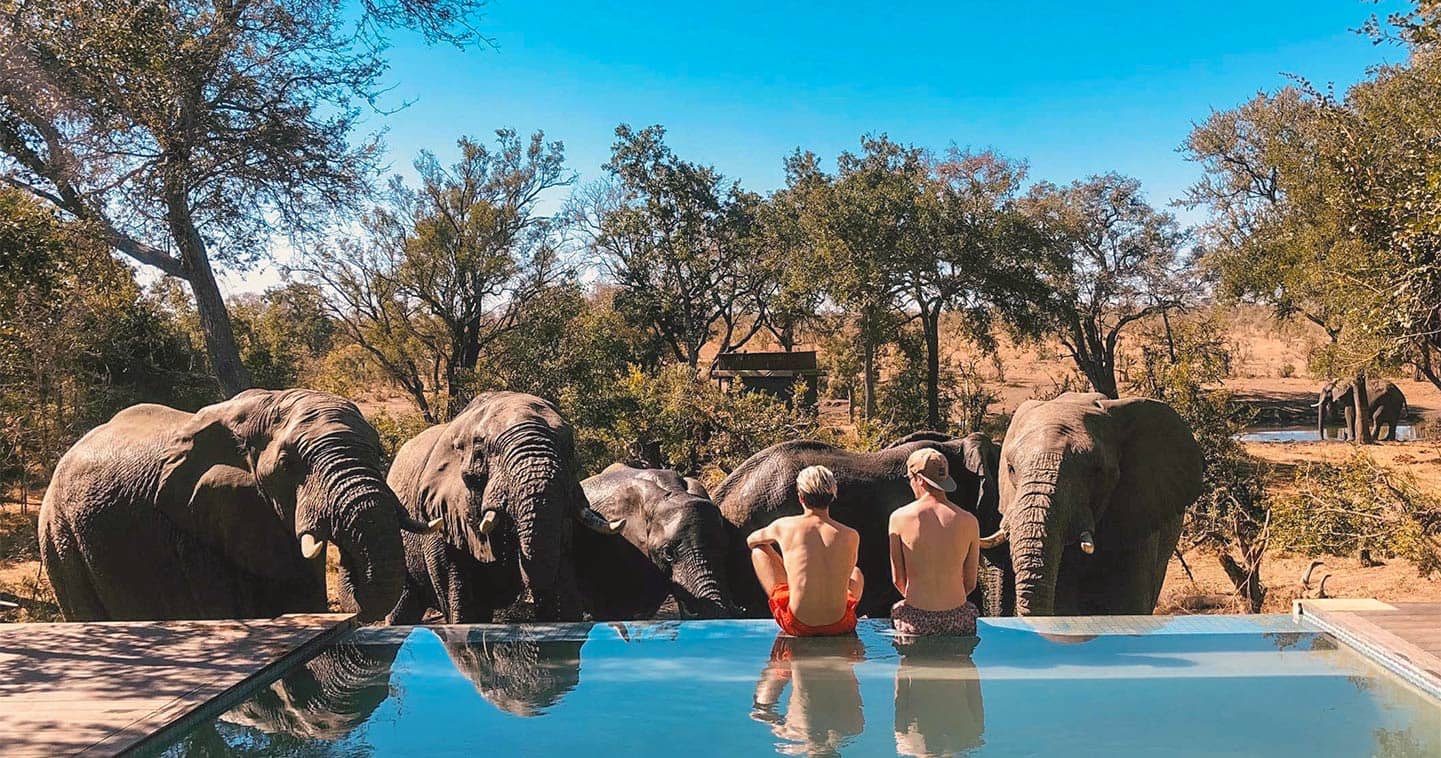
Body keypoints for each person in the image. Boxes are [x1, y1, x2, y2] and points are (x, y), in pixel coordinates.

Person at [747, 465, 865, 637]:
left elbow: (751, 540)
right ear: (832, 495)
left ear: (800, 497)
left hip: (798, 624)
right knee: (856, 572)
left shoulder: (784, 526)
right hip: (840, 624)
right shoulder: (850, 534)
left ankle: (797, 595)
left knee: (759, 550)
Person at [887, 448, 980, 636]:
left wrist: (923, 604)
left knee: (898, 610)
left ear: (919, 479)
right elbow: (970, 583)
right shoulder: (969, 520)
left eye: (910, 479)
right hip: (959, 619)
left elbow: (898, 580)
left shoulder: (899, 518)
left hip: (915, 621)